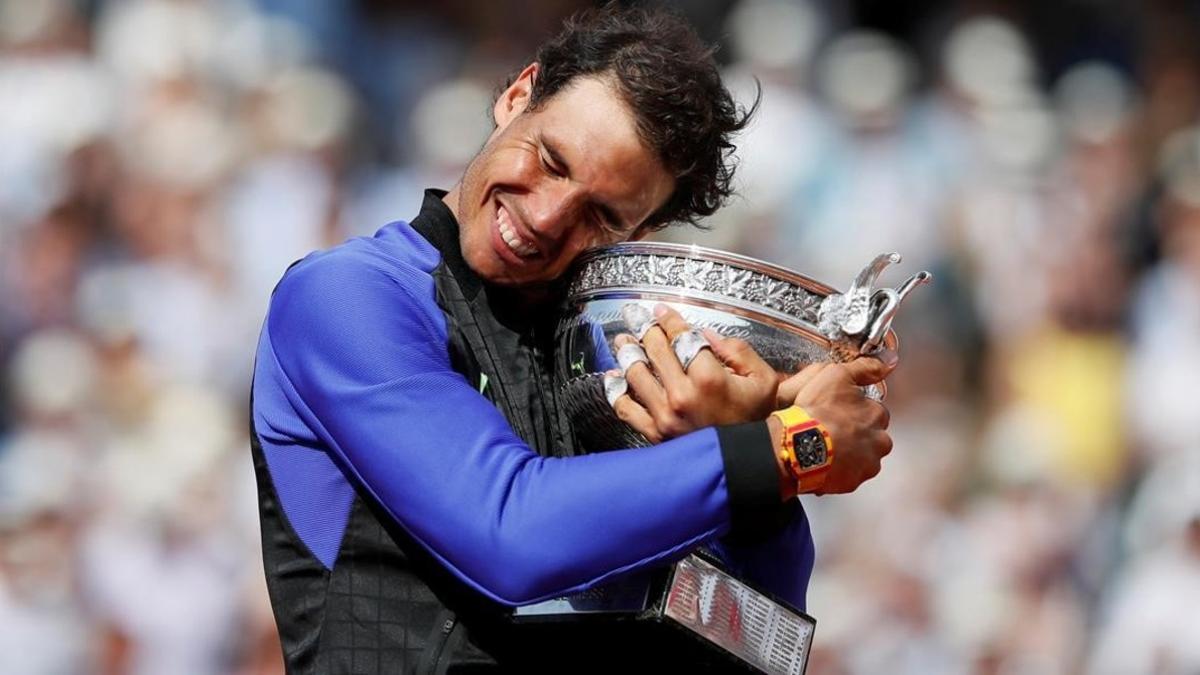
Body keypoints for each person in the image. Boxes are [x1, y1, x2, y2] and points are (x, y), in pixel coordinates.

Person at [249, 6, 894, 673]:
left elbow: (761, 651)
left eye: (601, 214)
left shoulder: (625, 367)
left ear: (637, 236)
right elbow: (510, 536)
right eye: (551, 160)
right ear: (517, 94)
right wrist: (790, 446)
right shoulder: (346, 296)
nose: (545, 215)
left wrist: (757, 490)